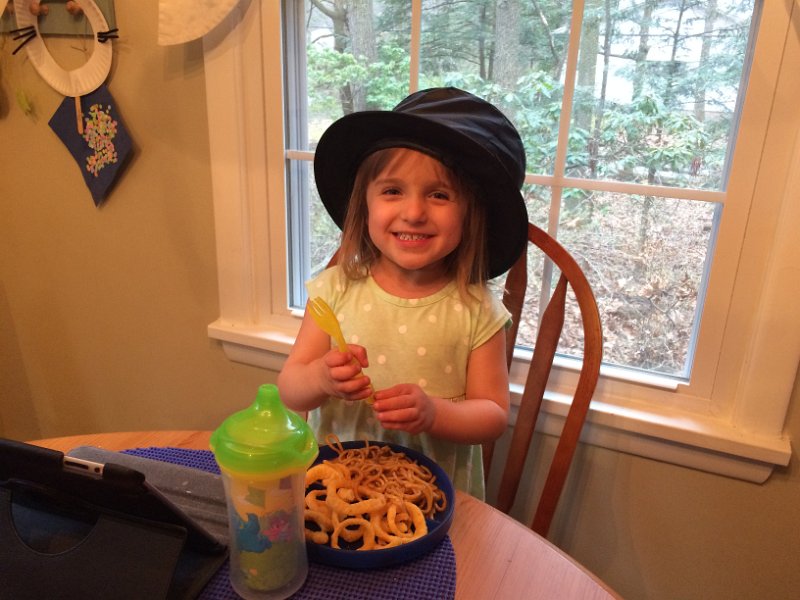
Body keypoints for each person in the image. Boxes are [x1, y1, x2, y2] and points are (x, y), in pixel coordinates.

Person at [277, 87, 528, 499]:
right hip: (336, 490)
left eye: (439, 195)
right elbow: (290, 387)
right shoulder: (334, 290)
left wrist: (434, 413)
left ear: (471, 214)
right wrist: (321, 377)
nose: (413, 213)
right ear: (365, 204)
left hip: (433, 497)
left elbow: (493, 415)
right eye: (393, 190)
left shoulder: (477, 310)